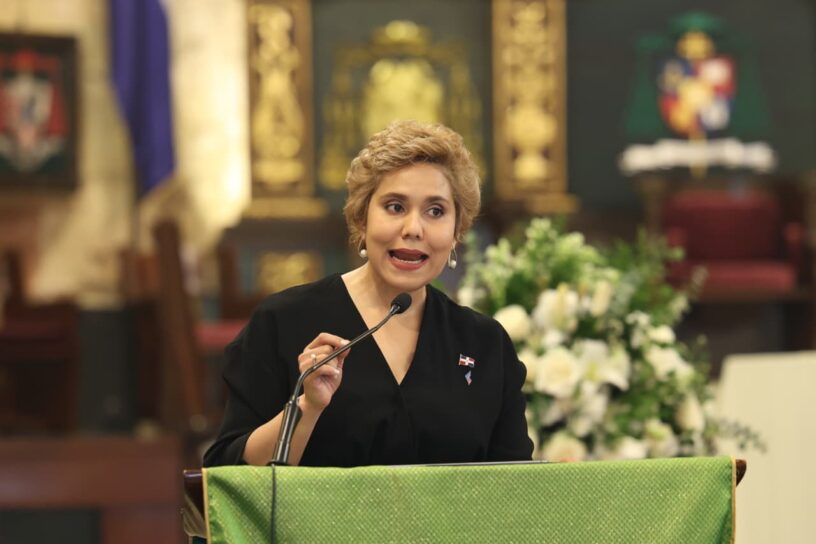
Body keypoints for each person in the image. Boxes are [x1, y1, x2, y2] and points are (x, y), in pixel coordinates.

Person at [203, 120, 533, 467]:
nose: (413, 229)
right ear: (362, 219)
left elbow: (517, 484)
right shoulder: (282, 322)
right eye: (395, 207)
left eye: (436, 211)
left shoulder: (485, 343)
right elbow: (231, 473)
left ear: (456, 232)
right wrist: (307, 407)